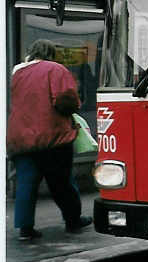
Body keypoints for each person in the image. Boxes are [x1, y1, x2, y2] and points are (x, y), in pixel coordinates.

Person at [7, 39, 93, 240]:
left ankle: (25, 229)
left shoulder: (17, 72)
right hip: (51, 135)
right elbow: (65, 99)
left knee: (26, 183)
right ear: (51, 53)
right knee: (62, 182)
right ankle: (73, 220)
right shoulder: (55, 69)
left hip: (19, 136)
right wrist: (74, 107)